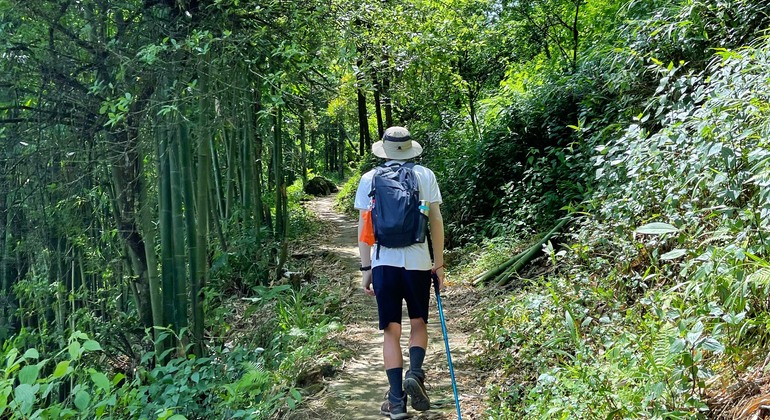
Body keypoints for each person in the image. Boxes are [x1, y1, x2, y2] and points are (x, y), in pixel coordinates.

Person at [354, 126, 445, 419]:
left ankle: (395, 401)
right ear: (409, 149)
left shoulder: (369, 179)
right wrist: (439, 264)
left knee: (391, 331)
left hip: (383, 263)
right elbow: (436, 222)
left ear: (385, 150)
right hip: (418, 262)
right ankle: (415, 373)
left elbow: (364, 230)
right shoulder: (425, 175)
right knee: (418, 323)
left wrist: (366, 269)